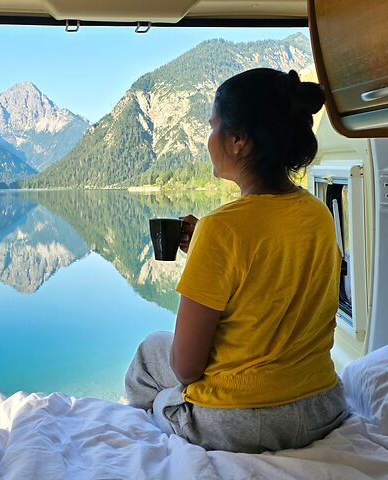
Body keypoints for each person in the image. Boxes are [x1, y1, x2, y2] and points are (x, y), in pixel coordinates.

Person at [124, 68, 349, 453]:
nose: (208, 139)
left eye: (213, 127)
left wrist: (208, 248)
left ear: (239, 140)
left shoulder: (220, 230)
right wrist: (204, 251)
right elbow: (270, 273)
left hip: (241, 422)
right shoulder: (319, 216)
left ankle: (147, 430)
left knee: (150, 353)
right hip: (321, 407)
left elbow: (186, 368)